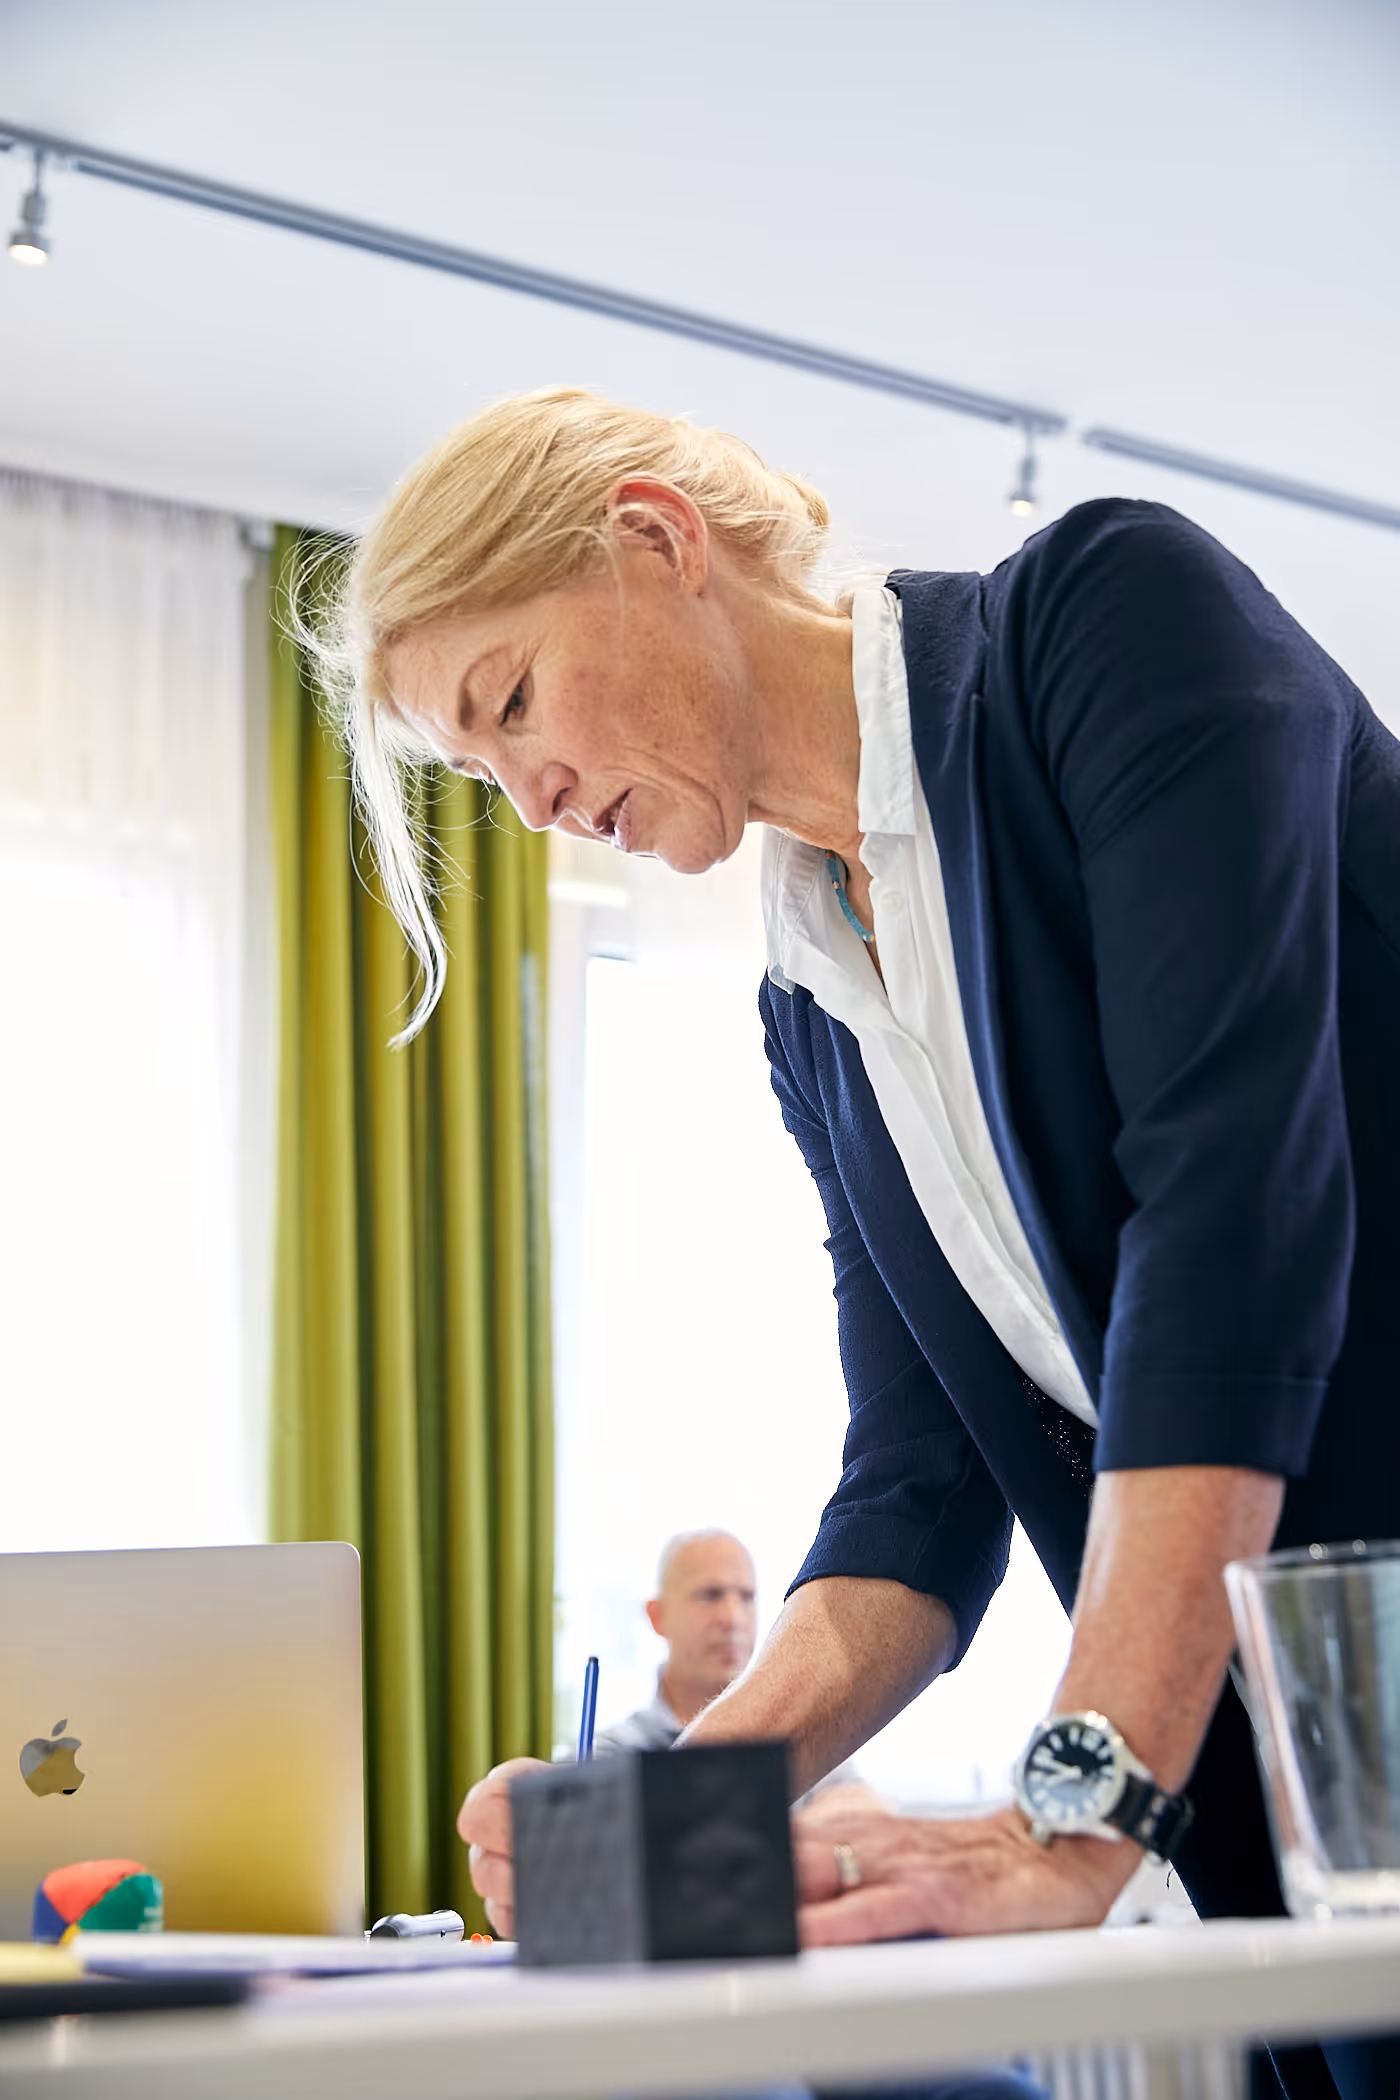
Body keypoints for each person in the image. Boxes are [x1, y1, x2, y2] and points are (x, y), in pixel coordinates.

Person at [307, 389, 1400, 2100]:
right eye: (482, 769)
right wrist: (664, 1827)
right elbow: (920, 1494)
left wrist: (1079, 1806)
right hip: (1294, 1781)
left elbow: (1237, 1216)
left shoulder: (1107, 628)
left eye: (513, 701)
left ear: (657, 546)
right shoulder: (810, 1008)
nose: (528, 798)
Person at [593, 1527, 873, 1817]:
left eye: (747, 1598)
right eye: (710, 1595)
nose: (733, 1618)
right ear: (657, 1616)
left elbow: (865, 1815)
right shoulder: (612, 1755)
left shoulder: (801, 1731)